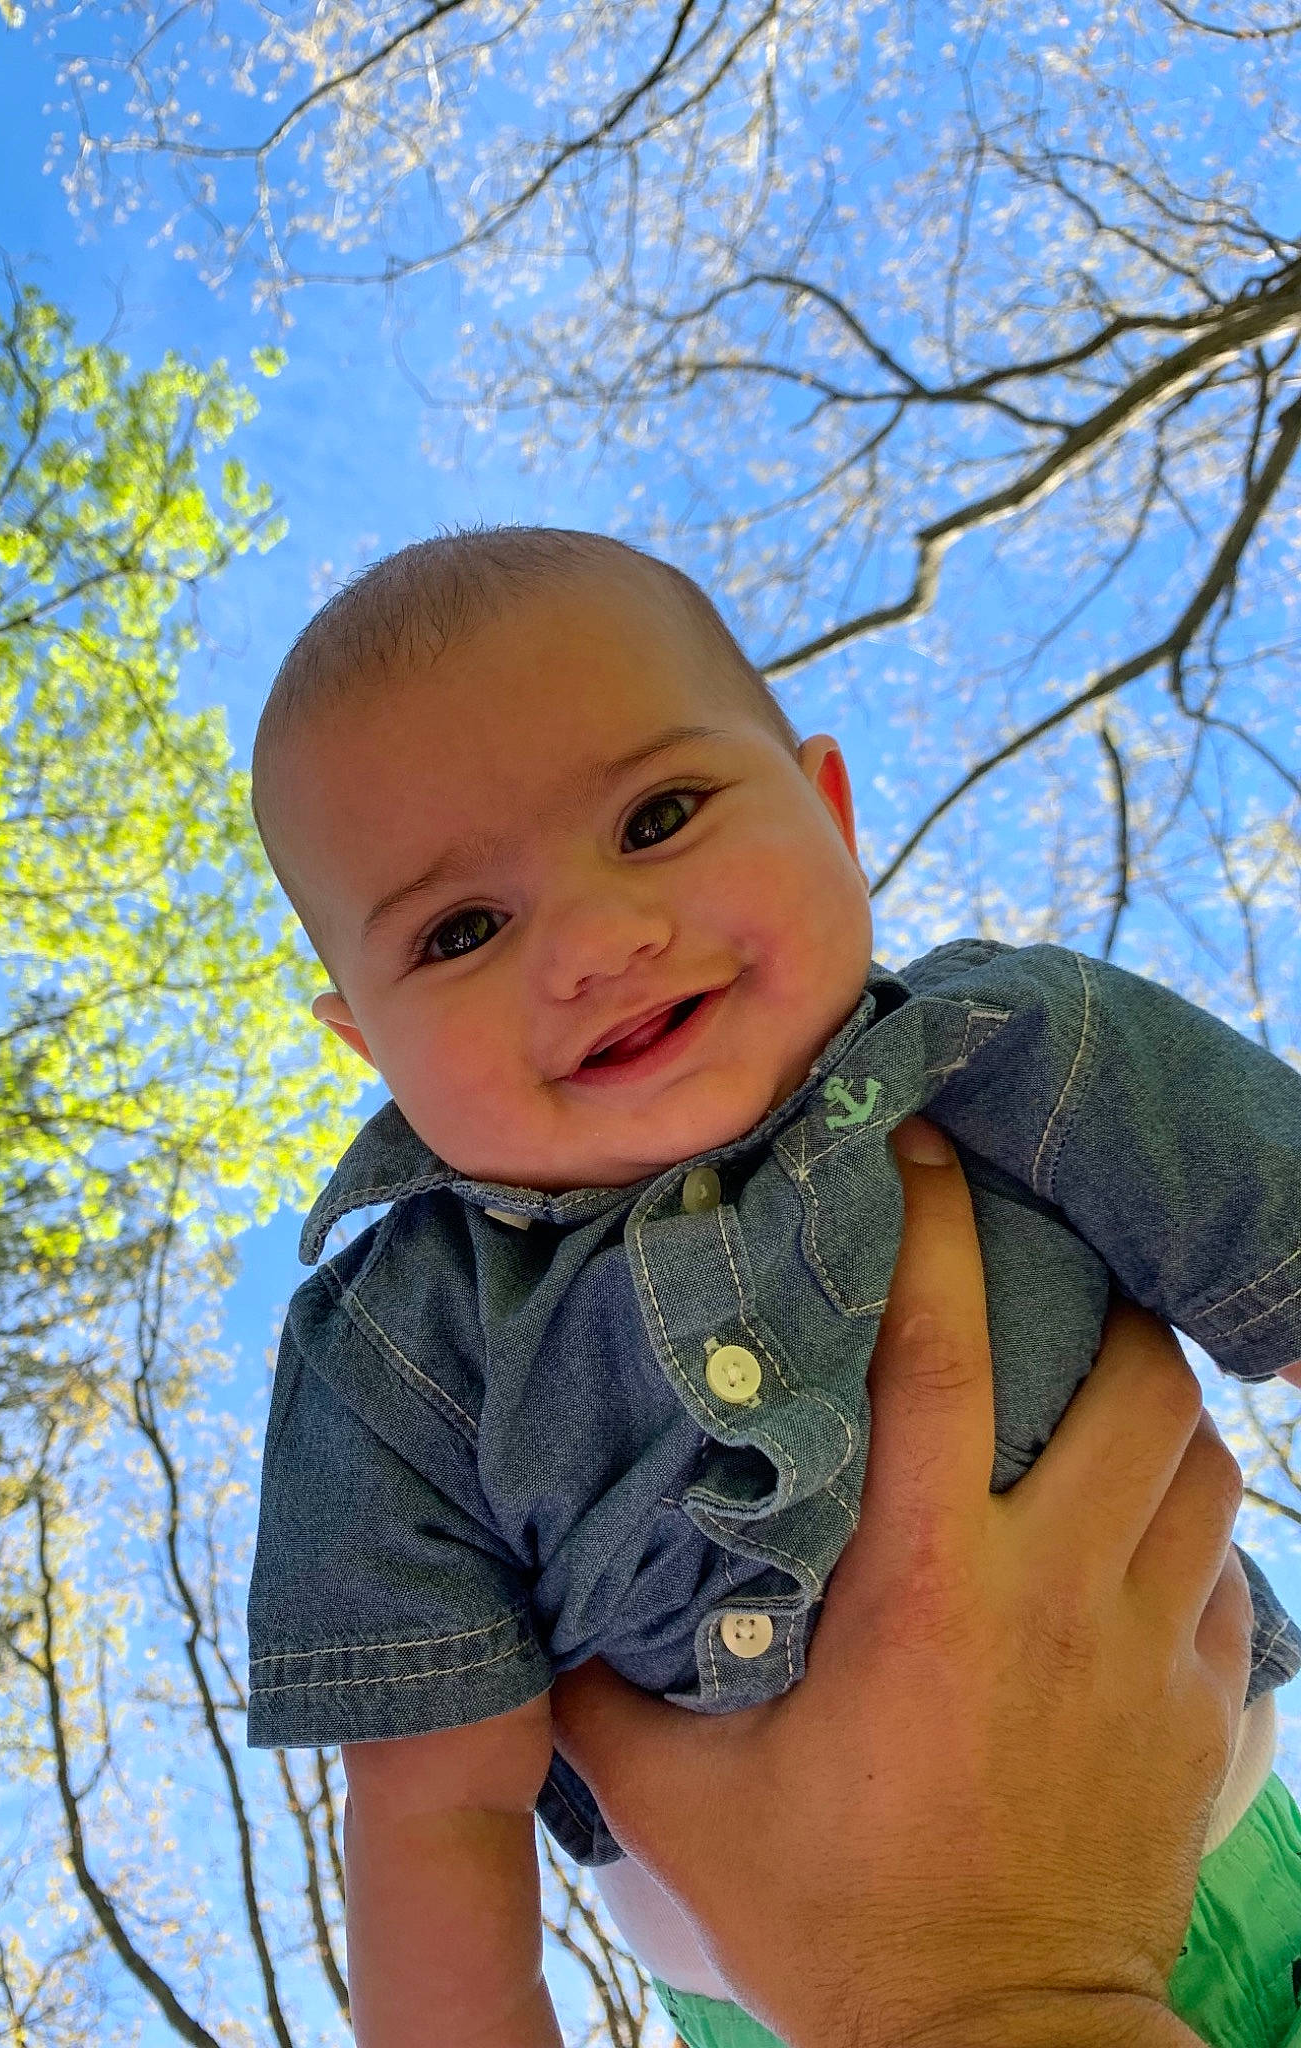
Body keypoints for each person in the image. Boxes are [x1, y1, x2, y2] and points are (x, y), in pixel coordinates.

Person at [242, 526, 1301, 2048]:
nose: (600, 944)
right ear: (369, 1050)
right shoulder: (390, 1356)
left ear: (827, 809)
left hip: (1232, 1869)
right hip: (781, 2005)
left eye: (658, 816)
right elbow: (432, 1813)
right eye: (461, 929)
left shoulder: (1029, 1053)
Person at [548, 1114, 1262, 2048]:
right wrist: (1016, 1986)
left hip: (1216, 1856)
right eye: (459, 952)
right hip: (1191, 1825)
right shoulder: (409, 1316)